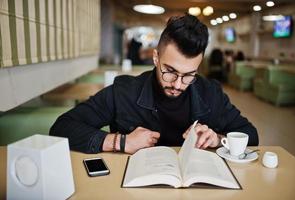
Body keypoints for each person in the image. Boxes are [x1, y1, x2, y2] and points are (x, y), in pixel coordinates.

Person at [50, 14, 258, 154]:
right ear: (156, 58)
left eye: (188, 75)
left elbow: (251, 135)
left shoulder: (211, 93)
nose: (178, 85)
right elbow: (62, 128)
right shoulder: (124, 92)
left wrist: (217, 139)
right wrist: (120, 142)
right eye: (170, 71)